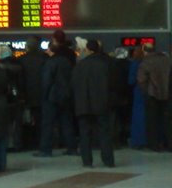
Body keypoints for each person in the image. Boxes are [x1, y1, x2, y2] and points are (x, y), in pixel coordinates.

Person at [71, 37, 115, 168]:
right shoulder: (105, 65)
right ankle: (108, 160)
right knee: (104, 133)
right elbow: (111, 85)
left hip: (83, 105)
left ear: (87, 50)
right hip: (101, 104)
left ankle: (87, 161)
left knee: (85, 134)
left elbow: (73, 85)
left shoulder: (79, 66)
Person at [36, 34, 76, 156]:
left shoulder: (50, 63)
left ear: (51, 50)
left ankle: (45, 149)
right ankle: (72, 148)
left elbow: (46, 81)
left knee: (48, 123)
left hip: (52, 97)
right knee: (66, 122)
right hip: (66, 96)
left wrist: (44, 95)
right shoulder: (66, 62)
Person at [137, 44, 172, 152]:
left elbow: (141, 79)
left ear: (145, 51)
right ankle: (169, 144)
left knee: (152, 121)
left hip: (152, 94)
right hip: (167, 94)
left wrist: (145, 92)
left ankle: (154, 145)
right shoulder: (167, 60)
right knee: (167, 120)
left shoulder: (146, 62)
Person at [19, 36, 48, 150]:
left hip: (27, 94)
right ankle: (41, 143)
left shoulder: (22, 60)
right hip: (42, 94)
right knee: (42, 121)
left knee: (27, 121)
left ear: (27, 47)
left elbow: (21, 79)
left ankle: (28, 143)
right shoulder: (45, 58)